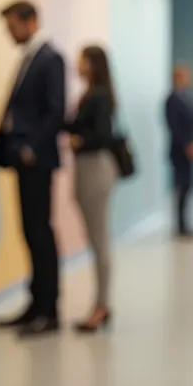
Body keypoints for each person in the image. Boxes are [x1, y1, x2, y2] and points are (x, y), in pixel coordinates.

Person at [0, 0, 66, 337]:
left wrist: (29, 148)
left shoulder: (50, 59)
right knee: (30, 232)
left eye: (12, 25)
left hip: (36, 161)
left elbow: (55, 111)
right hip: (24, 160)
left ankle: (48, 309)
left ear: (31, 21)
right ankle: (35, 304)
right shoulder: (29, 59)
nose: (9, 32)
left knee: (40, 233)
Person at [64, 46, 119, 333]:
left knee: (99, 239)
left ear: (94, 64)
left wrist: (79, 140)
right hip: (87, 168)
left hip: (95, 168)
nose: (78, 64)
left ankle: (101, 304)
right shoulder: (92, 94)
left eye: (82, 59)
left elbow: (102, 136)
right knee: (96, 238)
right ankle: (101, 303)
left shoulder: (98, 97)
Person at [165, 65, 193, 239]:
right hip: (180, 151)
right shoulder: (173, 99)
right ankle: (180, 225)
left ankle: (186, 223)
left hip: (190, 149)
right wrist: (187, 144)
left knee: (188, 187)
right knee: (181, 187)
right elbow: (174, 127)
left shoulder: (187, 97)